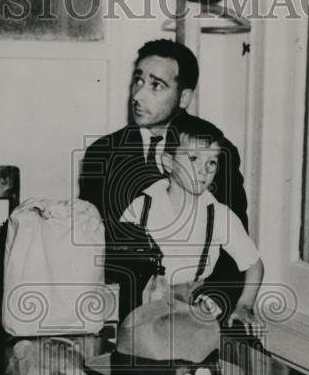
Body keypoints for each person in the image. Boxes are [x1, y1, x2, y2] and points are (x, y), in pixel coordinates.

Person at [79, 39, 248, 317]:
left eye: (156, 85)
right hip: (122, 313)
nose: (138, 95)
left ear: (183, 97)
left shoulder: (216, 152)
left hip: (196, 314)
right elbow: (92, 243)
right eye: (138, 81)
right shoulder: (103, 153)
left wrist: (211, 303)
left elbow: (235, 247)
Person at [119, 114, 264, 334]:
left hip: (193, 316)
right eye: (194, 159)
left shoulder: (219, 215)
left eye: (212, 162)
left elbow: (254, 265)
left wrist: (245, 305)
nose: (203, 170)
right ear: (167, 162)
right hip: (143, 312)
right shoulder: (142, 208)